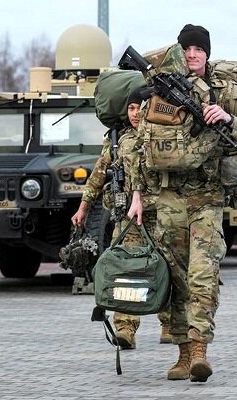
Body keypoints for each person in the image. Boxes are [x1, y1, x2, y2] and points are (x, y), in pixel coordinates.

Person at [127, 24, 237, 382]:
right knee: (174, 278)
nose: (192, 55)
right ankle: (183, 353)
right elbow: (141, 147)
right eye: (186, 49)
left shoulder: (227, 92)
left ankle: (201, 350)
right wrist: (137, 195)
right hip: (167, 197)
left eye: (198, 50)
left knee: (203, 273)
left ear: (207, 53)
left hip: (206, 196)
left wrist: (229, 119)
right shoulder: (160, 91)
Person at [71, 87, 170, 350]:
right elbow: (98, 175)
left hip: (162, 215)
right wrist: (83, 207)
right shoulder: (118, 141)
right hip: (128, 219)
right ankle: (125, 327)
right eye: (131, 108)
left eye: (141, 107)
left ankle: (171, 324)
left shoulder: (164, 135)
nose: (136, 113)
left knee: (169, 267)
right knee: (124, 269)